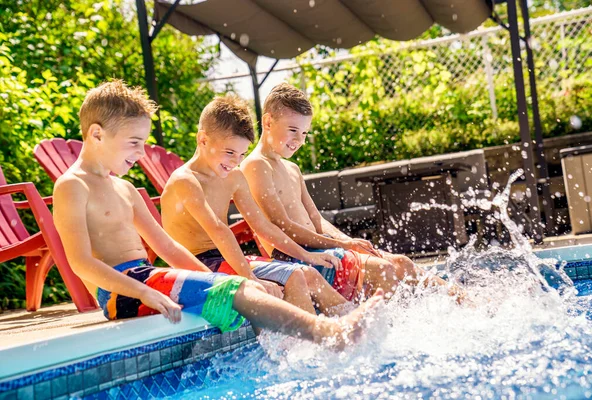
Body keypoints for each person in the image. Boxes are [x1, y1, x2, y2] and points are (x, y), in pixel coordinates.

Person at [52, 80, 383, 349]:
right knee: (240, 289)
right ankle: (326, 333)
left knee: (239, 286)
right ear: (96, 134)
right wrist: (141, 291)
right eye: (135, 142)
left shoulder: (125, 190)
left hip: (146, 275)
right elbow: (80, 262)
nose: (140, 153)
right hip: (121, 291)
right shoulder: (72, 187)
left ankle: (304, 349)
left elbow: (167, 248)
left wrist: (219, 278)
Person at [241, 83, 466, 301]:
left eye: (304, 133)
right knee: (385, 270)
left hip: (320, 246)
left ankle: (462, 300)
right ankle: (381, 330)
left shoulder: (292, 169)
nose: (299, 140)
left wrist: (348, 240)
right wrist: (342, 245)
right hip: (297, 256)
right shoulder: (256, 165)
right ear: (268, 121)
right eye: (293, 130)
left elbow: (316, 219)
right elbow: (283, 226)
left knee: (402, 263)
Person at [161, 95, 359, 315]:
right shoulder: (185, 180)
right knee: (295, 277)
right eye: (229, 152)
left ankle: (350, 326)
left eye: (242, 154)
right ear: (203, 139)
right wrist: (249, 277)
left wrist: (307, 255)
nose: (236, 161)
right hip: (197, 265)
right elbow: (219, 230)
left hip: (224, 258)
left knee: (308, 273)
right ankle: (307, 342)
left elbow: (263, 226)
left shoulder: (233, 177)